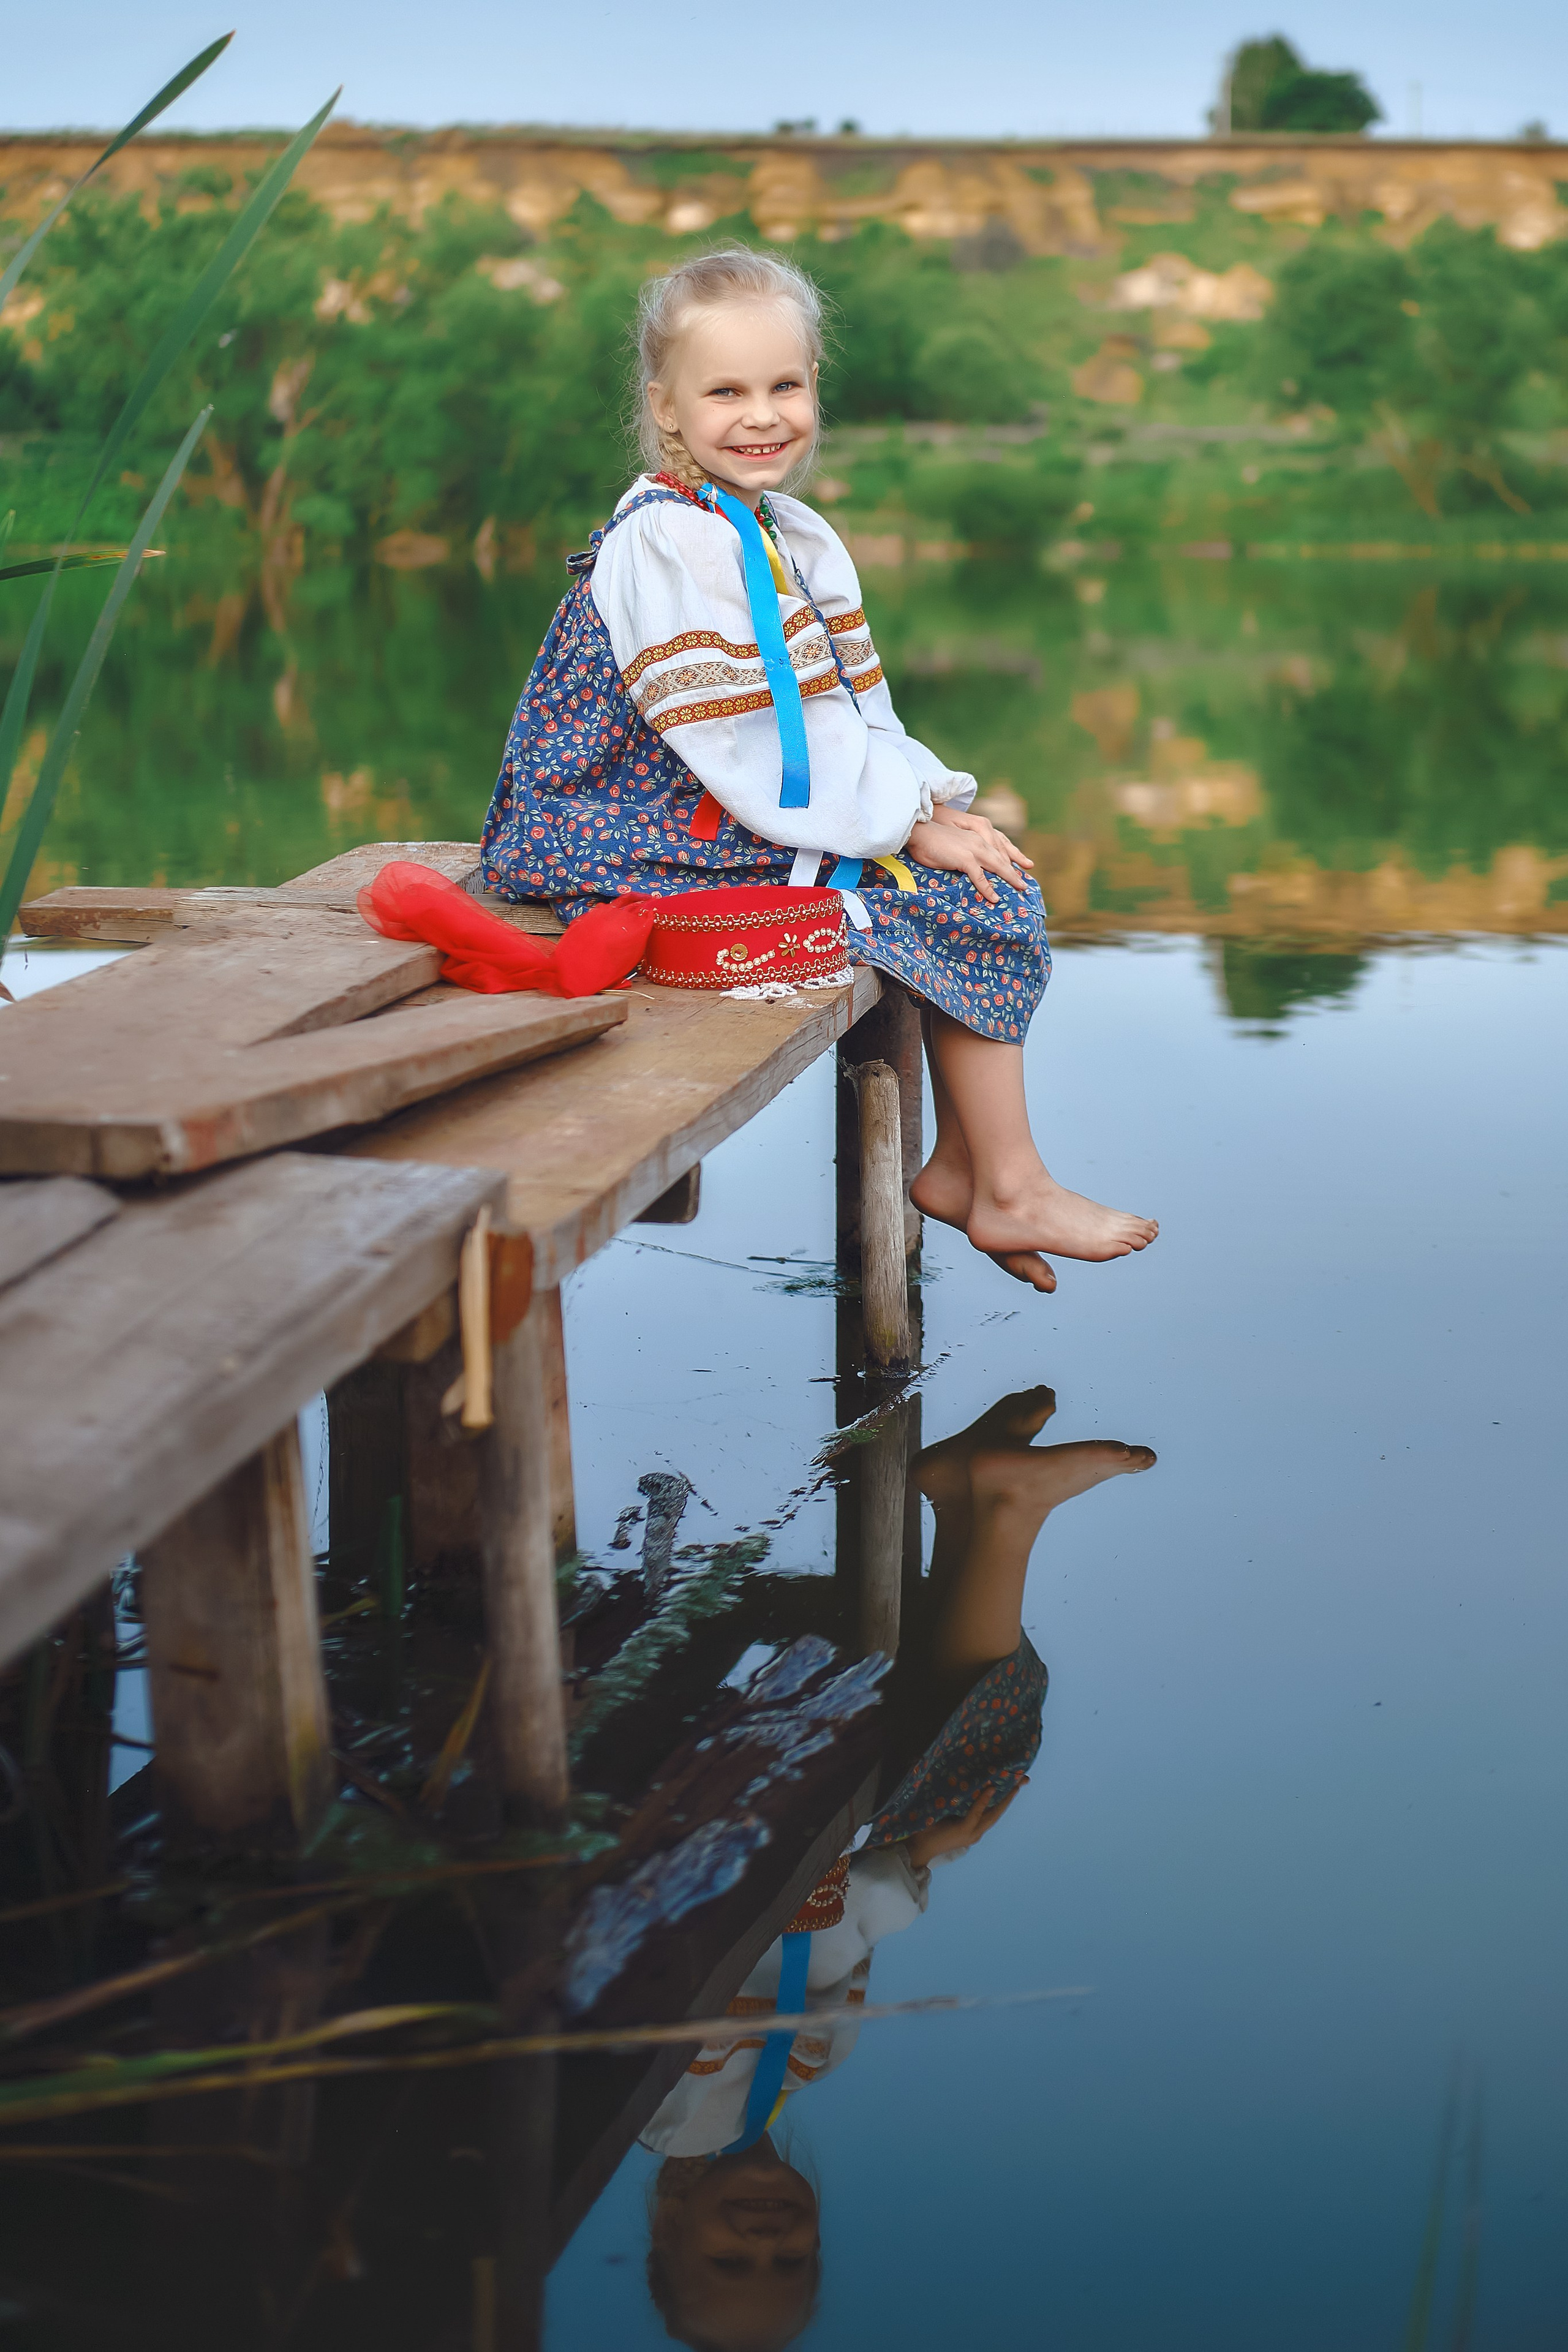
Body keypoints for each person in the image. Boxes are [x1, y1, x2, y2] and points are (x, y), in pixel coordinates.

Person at [480, 247, 1157, 1293]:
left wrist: (925, 802)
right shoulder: (672, 542)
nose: (764, 415)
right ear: (666, 407)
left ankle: (970, 1172)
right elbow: (745, 749)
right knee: (949, 896)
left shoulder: (785, 531)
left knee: (981, 877)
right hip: (611, 831)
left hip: (701, 809)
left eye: (785, 386)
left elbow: (848, 714)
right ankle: (1006, 1183)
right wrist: (899, 830)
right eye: (727, 391)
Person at [636, 1385, 1155, 2347]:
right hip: (785, 1851)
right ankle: (968, 1497)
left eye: (730, 2260)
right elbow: (836, 1952)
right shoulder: (793, 2081)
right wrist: (912, 1862)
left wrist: (907, 1857)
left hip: (729, 1841)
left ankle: (994, 1506)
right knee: (954, 1741)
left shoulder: (674, 2111)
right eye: (791, 2262)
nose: (767, 2239)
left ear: (668, 2226)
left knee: (971, 1751)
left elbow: (706, 1960)